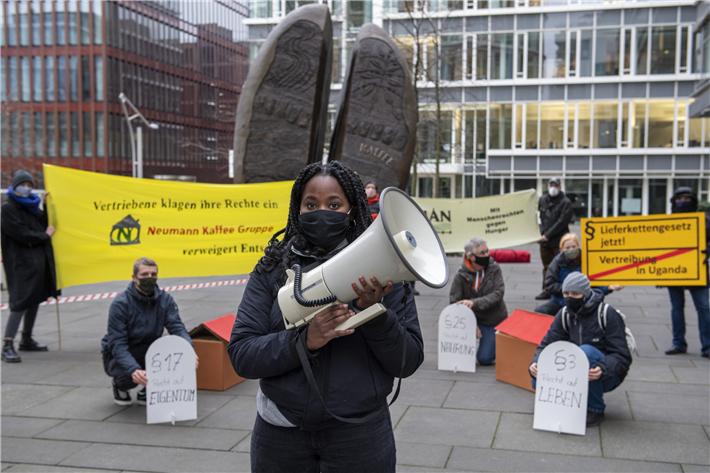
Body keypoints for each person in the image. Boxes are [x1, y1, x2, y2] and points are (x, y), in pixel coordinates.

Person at [228, 161, 423, 473]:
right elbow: (242, 354)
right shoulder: (272, 270)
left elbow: (407, 361)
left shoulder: (386, 276)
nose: (322, 211)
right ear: (297, 209)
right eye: (311, 204)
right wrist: (304, 341)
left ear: (352, 210)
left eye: (334, 204)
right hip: (281, 433)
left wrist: (375, 315)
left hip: (361, 433)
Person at [529, 272, 632, 427]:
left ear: (586, 295)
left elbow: (623, 357)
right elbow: (546, 345)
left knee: (586, 352)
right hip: (575, 372)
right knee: (536, 381)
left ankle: (595, 409)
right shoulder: (563, 314)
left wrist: (603, 369)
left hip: (607, 375)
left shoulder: (607, 314)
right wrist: (536, 363)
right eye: (566, 293)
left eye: (575, 294)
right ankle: (568, 404)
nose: (570, 297)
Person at [101, 257, 197, 406]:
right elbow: (117, 343)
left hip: (150, 348)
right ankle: (120, 386)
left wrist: (189, 350)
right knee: (128, 376)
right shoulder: (120, 304)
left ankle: (149, 389)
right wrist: (133, 370)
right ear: (134, 277)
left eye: (153, 274)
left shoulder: (165, 299)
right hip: (124, 350)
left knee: (173, 358)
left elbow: (177, 327)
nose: (149, 278)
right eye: (145, 275)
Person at [0, 170, 58, 363]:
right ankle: (8, 343)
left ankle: (26, 338)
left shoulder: (31, 206)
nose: (27, 188)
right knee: (20, 302)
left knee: (34, 299)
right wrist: (45, 236)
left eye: (29, 185)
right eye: (23, 184)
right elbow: (20, 233)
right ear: (15, 186)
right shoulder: (8, 208)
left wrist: (45, 205)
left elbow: (42, 223)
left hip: (36, 262)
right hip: (20, 263)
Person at [664, 187, 710, 358]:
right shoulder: (666, 223)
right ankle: (678, 343)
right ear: (674, 202)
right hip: (673, 272)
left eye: (687, 199)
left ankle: (707, 346)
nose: (683, 202)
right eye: (679, 199)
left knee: (704, 308)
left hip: (697, 272)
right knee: (676, 308)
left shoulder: (705, 221)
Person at [449, 237, 507, 365]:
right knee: (460, 358)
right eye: (482, 253)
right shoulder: (460, 275)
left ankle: (501, 342)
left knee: (484, 359)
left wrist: (474, 303)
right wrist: (468, 322)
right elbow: (454, 301)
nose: (487, 255)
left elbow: (498, 294)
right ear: (471, 257)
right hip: (471, 319)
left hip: (493, 319)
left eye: (487, 251)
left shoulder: (494, 268)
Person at [535, 233, 623, 315]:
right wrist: (571, 290)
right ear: (561, 249)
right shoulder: (556, 263)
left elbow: (594, 284)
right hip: (560, 301)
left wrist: (608, 287)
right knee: (540, 311)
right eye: (567, 248)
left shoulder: (586, 261)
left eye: (574, 247)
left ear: (578, 247)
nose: (571, 250)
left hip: (583, 302)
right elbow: (549, 286)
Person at [536, 177, 573, 301]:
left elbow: (562, 222)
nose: (553, 188)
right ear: (547, 187)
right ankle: (546, 290)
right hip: (544, 242)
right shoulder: (542, 200)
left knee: (562, 266)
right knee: (547, 266)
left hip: (559, 242)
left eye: (556, 185)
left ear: (560, 188)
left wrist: (547, 235)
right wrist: (540, 233)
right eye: (551, 185)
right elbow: (538, 217)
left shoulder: (565, 202)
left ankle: (564, 290)